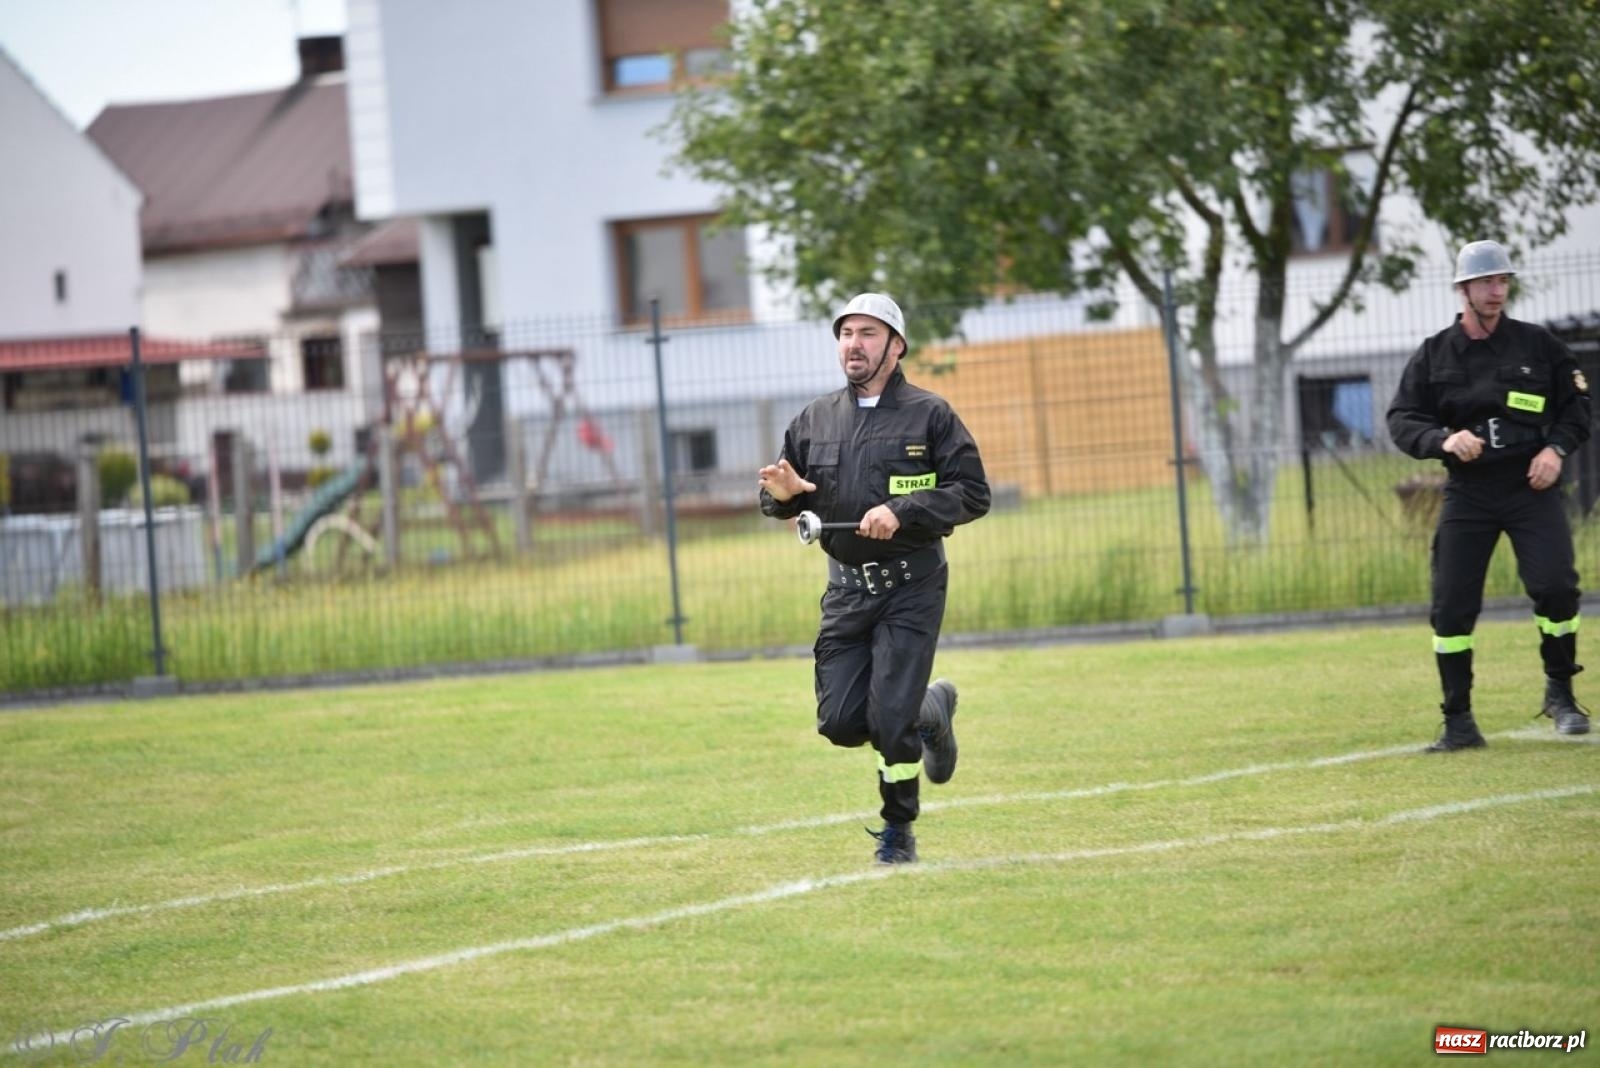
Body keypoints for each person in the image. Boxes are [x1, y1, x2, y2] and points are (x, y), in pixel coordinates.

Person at [759, 292, 991, 863]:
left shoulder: (930, 415)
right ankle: (928, 710)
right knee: (839, 722)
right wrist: (781, 497)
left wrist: (904, 510)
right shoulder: (814, 420)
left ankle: (898, 830)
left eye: (866, 333)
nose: (853, 345)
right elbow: (785, 499)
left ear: (895, 345)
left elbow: (972, 494)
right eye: (845, 334)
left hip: (912, 586)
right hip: (845, 590)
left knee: (889, 719)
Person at [1387, 240, 1592, 751]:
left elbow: (1577, 408)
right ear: (1463, 289)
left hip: (1530, 485)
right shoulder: (1435, 353)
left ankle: (1561, 694)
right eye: (1485, 283)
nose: (1496, 291)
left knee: (1556, 588)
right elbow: (1402, 418)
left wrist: (1556, 451)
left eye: (1502, 281)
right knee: (1452, 605)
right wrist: (1443, 440)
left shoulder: (1538, 346)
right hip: (1469, 491)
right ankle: (1458, 720)